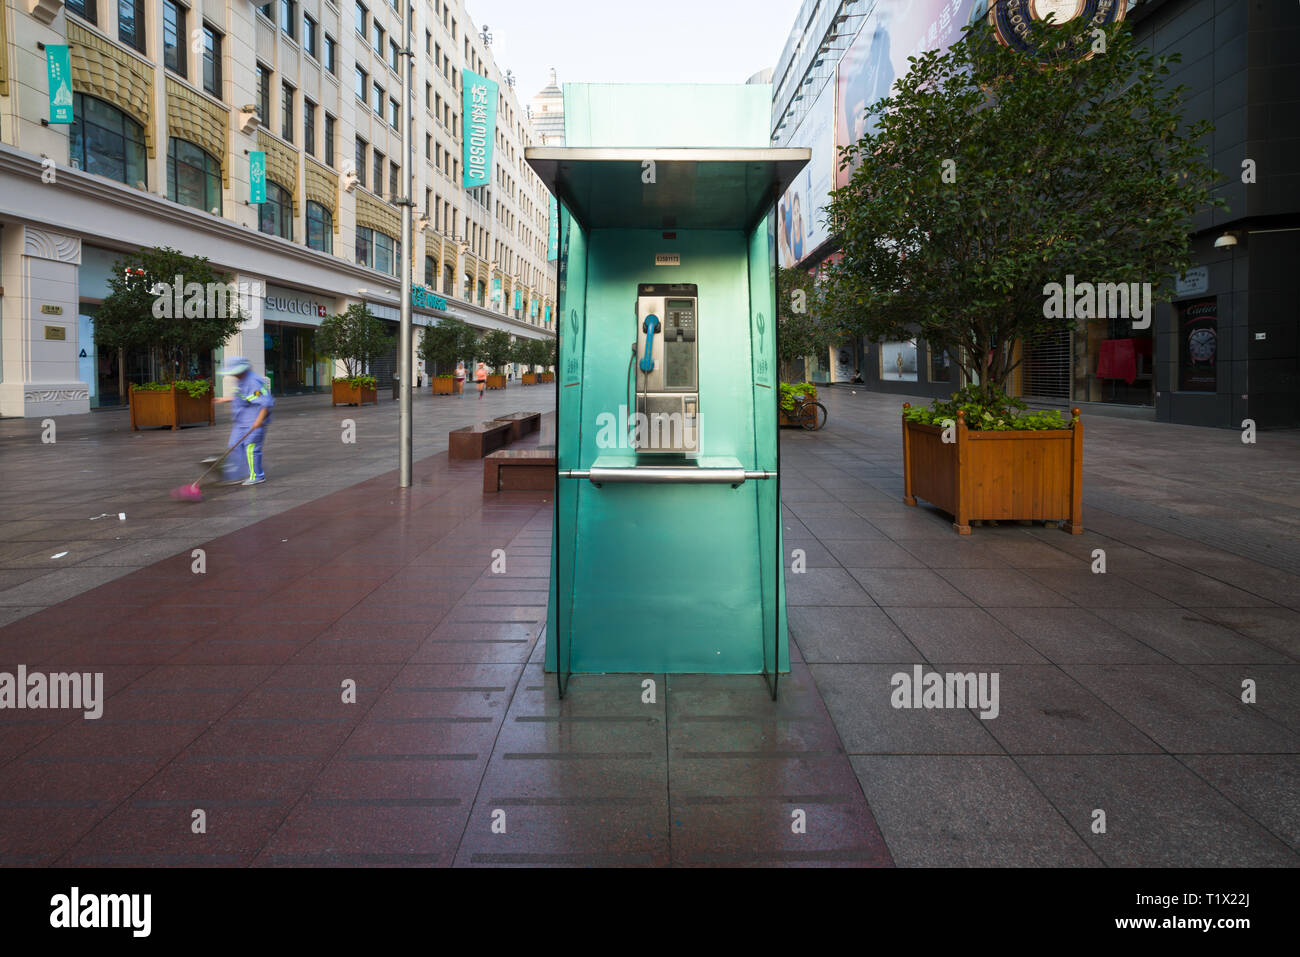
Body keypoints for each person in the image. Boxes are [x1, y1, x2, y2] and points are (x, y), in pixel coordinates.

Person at [214, 356, 274, 486]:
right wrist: (225, 399)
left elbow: (265, 403)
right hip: (241, 421)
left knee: (251, 448)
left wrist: (259, 421)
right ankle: (240, 474)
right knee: (233, 446)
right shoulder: (241, 380)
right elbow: (243, 396)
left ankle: (257, 475)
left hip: (254, 420)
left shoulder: (254, 381)